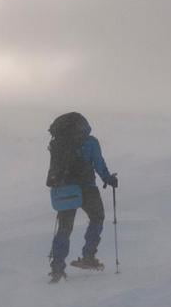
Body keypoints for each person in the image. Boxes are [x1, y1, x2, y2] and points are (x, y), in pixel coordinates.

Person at [45, 112, 118, 282]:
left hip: (64, 189)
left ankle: (57, 267)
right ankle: (88, 256)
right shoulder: (90, 142)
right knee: (97, 217)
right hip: (86, 188)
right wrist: (108, 179)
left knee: (64, 228)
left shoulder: (58, 144)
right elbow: (98, 163)